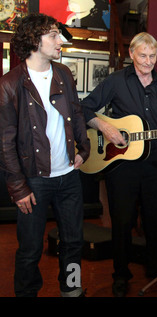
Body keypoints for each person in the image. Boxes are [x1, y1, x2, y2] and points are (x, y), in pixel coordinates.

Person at [81, 32, 157, 297]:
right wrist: (104, 125)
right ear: (131, 54)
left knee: (156, 220)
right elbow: (84, 108)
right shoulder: (116, 81)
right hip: (121, 165)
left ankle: (156, 270)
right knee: (121, 221)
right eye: (142, 55)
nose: (148, 61)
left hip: (154, 162)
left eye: (152, 56)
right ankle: (120, 275)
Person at [0, 13, 90, 297]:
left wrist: (83, 147)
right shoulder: (10, 84)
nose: (59, 40)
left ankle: (71, 290)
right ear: (33, 41)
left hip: (69, 177)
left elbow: (76, 112)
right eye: (52, 34)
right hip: (34, 181)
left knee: (74, 242)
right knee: (30, 249)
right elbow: (5, 142)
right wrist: (18, 188)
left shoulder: (64, 73)